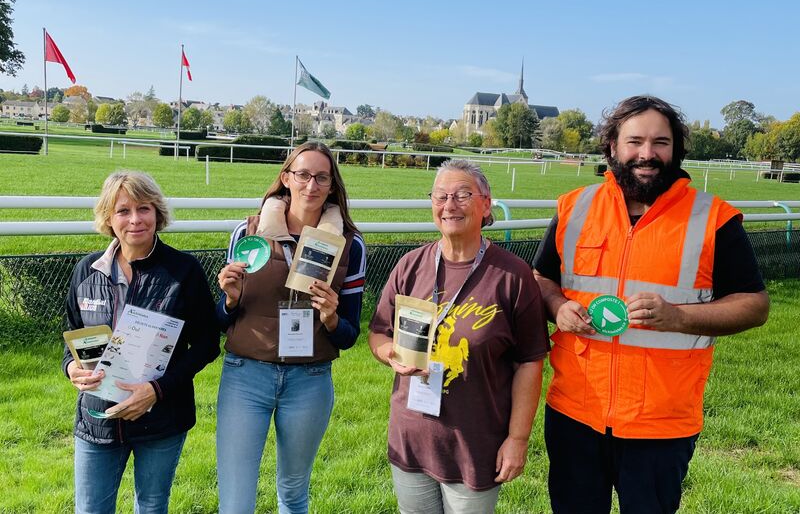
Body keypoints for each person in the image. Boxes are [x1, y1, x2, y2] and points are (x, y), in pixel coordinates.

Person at [533, 95, 770, 514]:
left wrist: (679, 317)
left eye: (661, 142)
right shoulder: (574, 207)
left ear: (676, 149)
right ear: (612, 147)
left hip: (661, 422)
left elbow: (754, 305)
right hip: (574, 412)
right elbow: (541, 278)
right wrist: (556, 306)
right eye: (635, 141)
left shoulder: (712, 218)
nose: (647, 154)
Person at [369, 159, 549, 514]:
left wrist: (517, 439)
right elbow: (378, 332)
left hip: (475, 443)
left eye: (463, 195)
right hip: (411, 438)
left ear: (486, 204)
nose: (450, 205)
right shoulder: (411, 266)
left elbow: (530, 361)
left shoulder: (513, 276)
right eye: (441, 196)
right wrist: (391, 353)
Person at [215, 141, 366, 514]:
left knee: (294, 493)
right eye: (302, 174)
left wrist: (331, 318)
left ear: (332, 185)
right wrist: (230, 299)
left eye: (321, 177)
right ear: (286, 178)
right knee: (236, 500)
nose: (311, 185)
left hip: (310, 380)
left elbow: (348, 335)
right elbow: (221, 320)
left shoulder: (351, 246)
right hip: (246, 376)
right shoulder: (246, 233)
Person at [63, 171, 220, 514]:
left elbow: (208, 344)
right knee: (90, 509)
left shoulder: (184, 271)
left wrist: (157, 389)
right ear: (108, 217)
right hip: (97, 417)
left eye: (144, 208)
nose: (135, 219)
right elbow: (72, 337)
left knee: (151, 506)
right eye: (123, 210)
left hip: (162, 418)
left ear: (157, 212)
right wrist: (72, 368)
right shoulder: (86, 271)